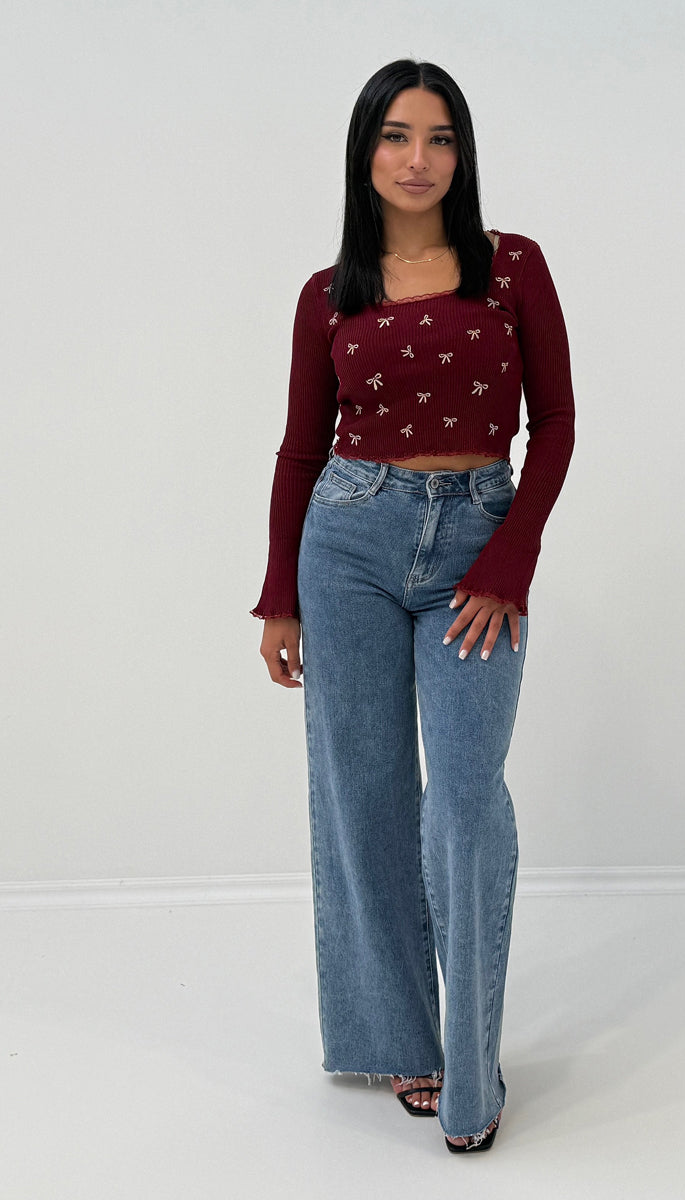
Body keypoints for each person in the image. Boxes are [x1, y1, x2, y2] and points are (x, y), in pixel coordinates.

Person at [251, 58, 575, 1153]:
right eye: (395, 136)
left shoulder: (511, 266)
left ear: (462, 155)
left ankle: (472, 1068)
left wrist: (509, 560)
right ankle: (403, 1039)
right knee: (365, 792)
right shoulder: (328, 292)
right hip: (347, 540)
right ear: (364, 153)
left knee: (465, 801)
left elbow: (554, 425)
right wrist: (279, 596)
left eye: (439, 138)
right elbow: (300, 449)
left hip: (476, 545)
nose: (417, 159)